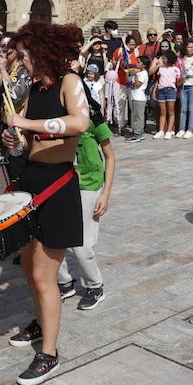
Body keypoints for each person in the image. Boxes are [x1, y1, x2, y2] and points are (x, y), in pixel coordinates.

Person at [1, 22, 91, 385]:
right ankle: (40, 323)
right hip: (31, 180)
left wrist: (29, 123)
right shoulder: (35, 89)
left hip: (57, 186)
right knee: (27, 266)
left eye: (24, 54)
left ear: (41, 51)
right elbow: (29, 140)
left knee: (43, 274)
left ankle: (49, 353)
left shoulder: (70, 82)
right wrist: (15, 139)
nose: (20, 62)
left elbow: (79, 123)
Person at [58, 75, 115, 310]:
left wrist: (105, 195)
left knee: (83, 246)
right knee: (54, 239)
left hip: (91, 186)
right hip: (62, 184)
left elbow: (110, 157)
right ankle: (64, 283)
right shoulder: (59, 118)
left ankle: (95, 286)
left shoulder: (94, 120)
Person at [152, 45, 180, 139]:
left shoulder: (175, 69)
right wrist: (154, 91)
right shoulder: (161, 68)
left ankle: (169, 130)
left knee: (171, 111)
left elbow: (177, 81)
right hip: (161, 91)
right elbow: (158, 80)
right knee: (162, 112)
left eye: (165, 58)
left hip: (171, 90)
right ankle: (161, 130)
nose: (163, 60)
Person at [176, 41, 193, 138]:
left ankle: (190, 129)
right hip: (183, 86)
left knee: (192, 109)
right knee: (183, 109)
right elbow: (178, 72)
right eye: (188, 47)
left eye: (192, 47)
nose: (191, 49)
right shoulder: (181, 60)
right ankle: (182, 129)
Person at [127, 56, 149, 142]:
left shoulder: (144, 73)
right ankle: (139, 133)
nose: (137, 64)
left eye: (139, 62)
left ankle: (138, 134)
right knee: (134, 115)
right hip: (134, 96)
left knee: (138, 117)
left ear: (143, 65)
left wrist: (135, 74)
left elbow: (137, 85)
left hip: (139, 98)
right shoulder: (139, 72)